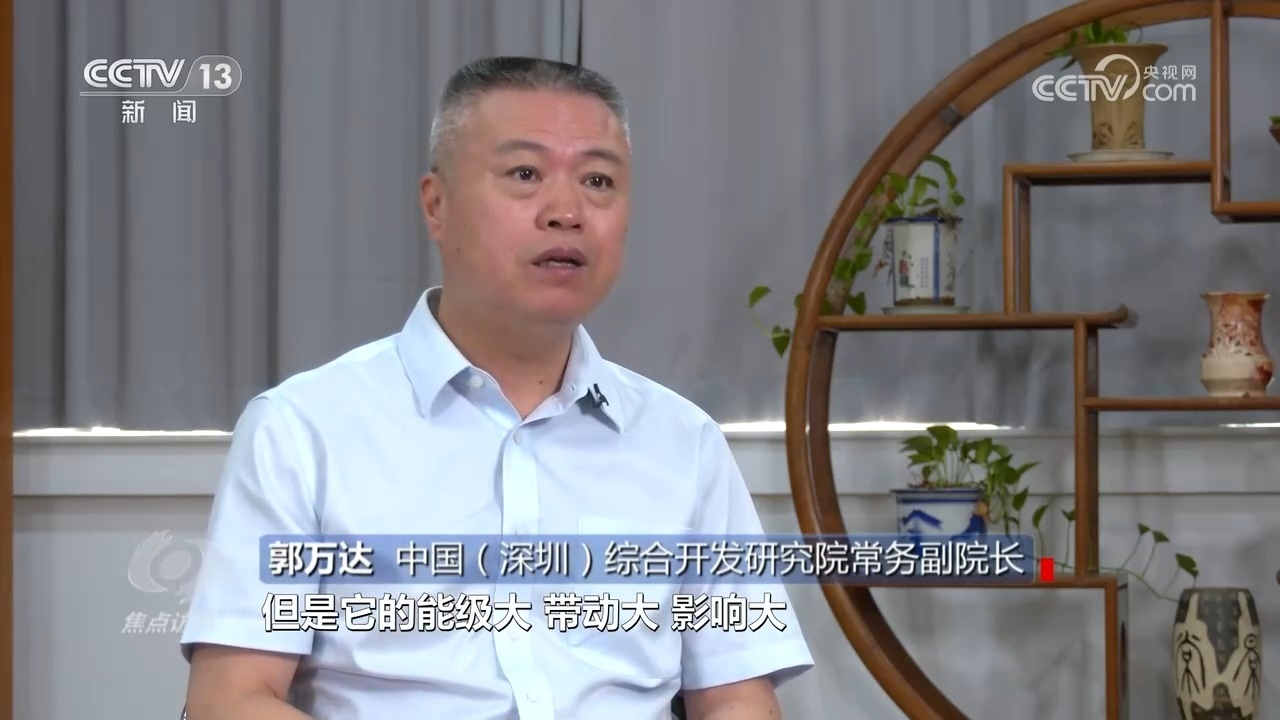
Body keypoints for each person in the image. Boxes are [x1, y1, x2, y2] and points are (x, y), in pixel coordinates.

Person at [180, 55, 813, 720]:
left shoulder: (685, 444)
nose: (566, 211)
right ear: (437, 206)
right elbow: (231, 699)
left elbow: (738, 698)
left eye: (598, 180)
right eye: (525, 174)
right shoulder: (303, 430)